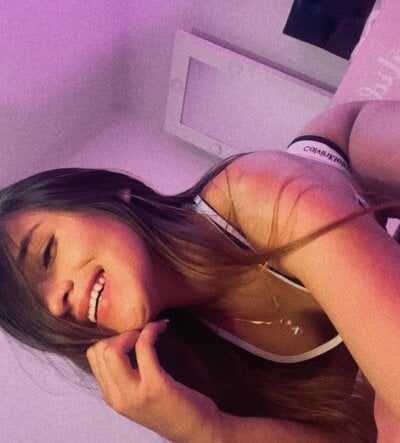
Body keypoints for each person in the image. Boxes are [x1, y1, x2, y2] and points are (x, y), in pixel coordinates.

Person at [1, 99, 399, 442]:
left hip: (351, 153)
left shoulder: (256, 193)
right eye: (43, 314)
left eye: (47, 253)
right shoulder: (180, 363)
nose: (56, 303)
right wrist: (210, 431)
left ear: (107, 196)